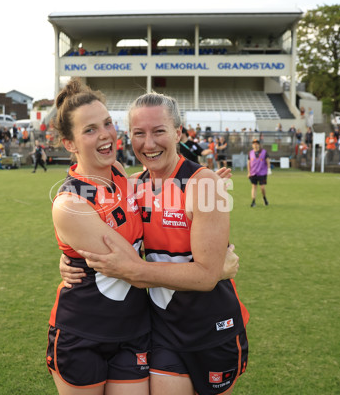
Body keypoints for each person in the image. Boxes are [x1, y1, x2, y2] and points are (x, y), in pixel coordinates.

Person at [70, 92, 249, 395]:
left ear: (179, 132)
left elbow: (206, 277)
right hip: (162, 327)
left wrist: (134, 271)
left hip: (212, 326)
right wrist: (71, 262)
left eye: (159, 131)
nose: (148, 144)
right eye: (139, 133)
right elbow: (90, 227)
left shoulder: (203, 184)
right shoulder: (131, 186)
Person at [48, 79, 151, 394]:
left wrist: (195, 182)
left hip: (134, 329)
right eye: (90, 130)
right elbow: (135, 271)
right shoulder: (70, 204)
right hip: (83, 334)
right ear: (69, 143)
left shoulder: (118, 172)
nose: (106, 134)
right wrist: (209, 271)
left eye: (107, 123)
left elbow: (155, 190)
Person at [247, 139, 270, 207]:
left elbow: (267, 161)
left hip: (262, 173)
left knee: (262, 187)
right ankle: (253, 201)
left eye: (256, 144)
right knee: (254, 186)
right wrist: (248, 172)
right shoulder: (250, 153)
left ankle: (264, 198)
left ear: (259, 145)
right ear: (252, 145)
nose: (255, 145)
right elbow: (248, 163)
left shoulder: (264, 152)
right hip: (253, 173)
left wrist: (268, 169)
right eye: (254, 144)